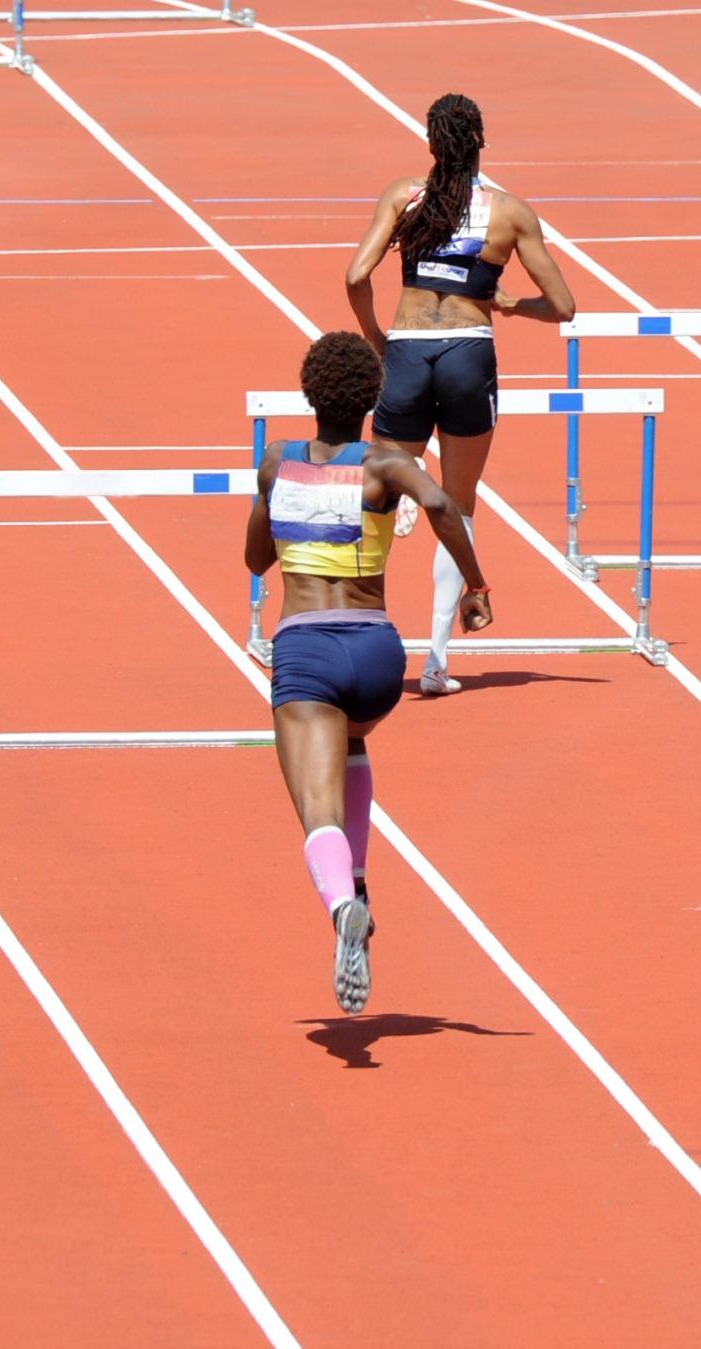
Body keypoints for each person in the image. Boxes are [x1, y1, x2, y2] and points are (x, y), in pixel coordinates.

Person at [246, 333, 493, 1014]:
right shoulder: (385, 465)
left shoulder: (276, 466)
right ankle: (356, 877)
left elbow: (252, 558)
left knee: (314, 809)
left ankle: (341, 906)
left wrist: (282, 519)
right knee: (352, 742)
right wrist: (475, 585)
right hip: (378, 654)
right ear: (370, 402)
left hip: (307, 651)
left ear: (307, 395)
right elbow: (442, 506)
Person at [345, 92, 573, 696]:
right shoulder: (511, 213)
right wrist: (511, 305)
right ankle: (437, 661)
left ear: (429, 144)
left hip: (409, 352)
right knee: (459, 505)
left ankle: (359, 635)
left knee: (378, 497)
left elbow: (355, 275)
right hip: (469, 353)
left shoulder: (403, 197)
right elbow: (565, 306)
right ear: (481, 145)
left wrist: (377, 341)